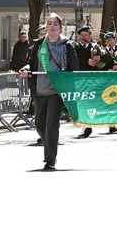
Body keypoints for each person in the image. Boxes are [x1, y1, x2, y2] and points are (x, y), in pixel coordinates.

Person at [20, 13, 80, 169]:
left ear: (60, 28)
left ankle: (50, 159)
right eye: (49, 23)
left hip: (56, 91)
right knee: (40, 125)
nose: (52, 26)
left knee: (51, 125)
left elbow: (74, 68)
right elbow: (30, 64)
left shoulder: (67, 46)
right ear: (46, 27)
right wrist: (25, 70)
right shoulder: (38, 45)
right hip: (39, 90)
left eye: (55, 24)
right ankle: (48, 143)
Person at [73, 25, 104, 138]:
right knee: (82, 101)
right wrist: (87, 61)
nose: (83, 37)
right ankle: (85, 124)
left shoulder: (95, 47)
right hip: (80, 78)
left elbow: (107, 57)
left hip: (92, 79)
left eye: (85, 35)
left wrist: (100, 58)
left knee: (90, 101)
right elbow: (73, 59)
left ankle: (87, 124)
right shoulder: (75, 47)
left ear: (90, 36)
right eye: (81, 35)